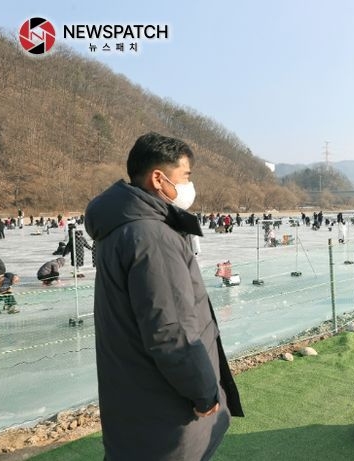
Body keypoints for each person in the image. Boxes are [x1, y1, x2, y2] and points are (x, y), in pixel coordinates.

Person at [84, 132, 243, 460]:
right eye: (186, 176)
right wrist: (203, 392)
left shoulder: (122, 228)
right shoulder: (152, 236)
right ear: (159, 178)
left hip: (132, 392)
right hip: (164, 407)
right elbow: (170, 331)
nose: (189, 186)